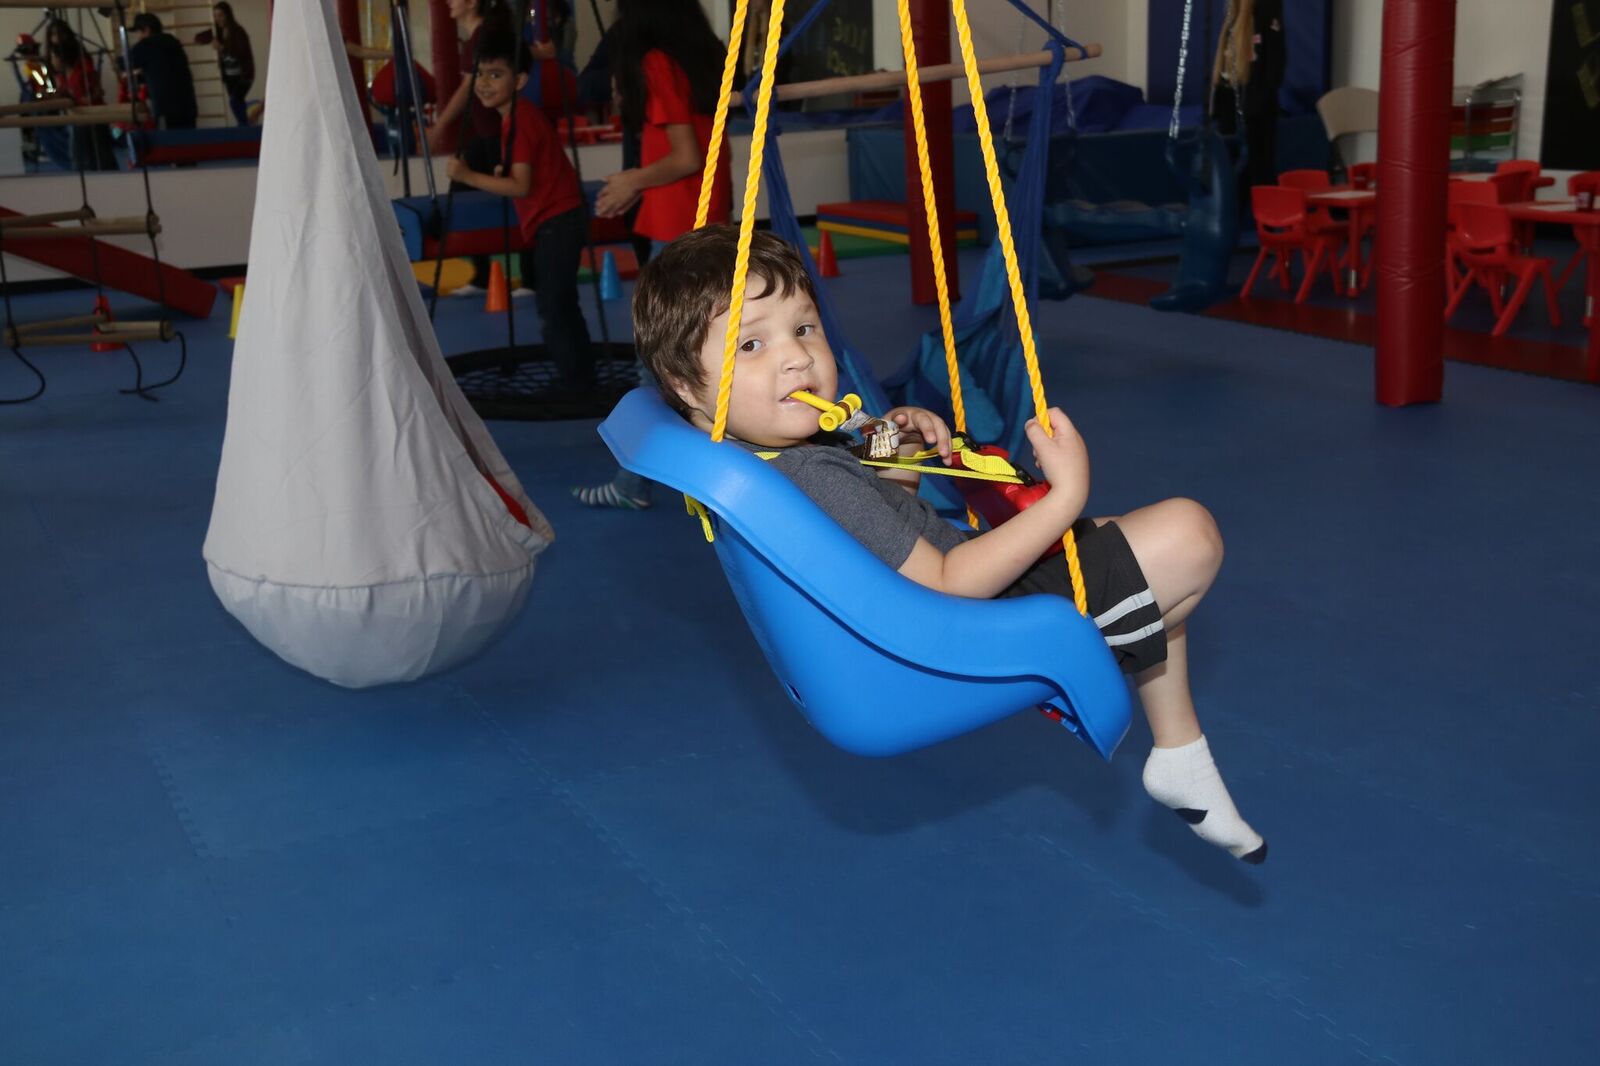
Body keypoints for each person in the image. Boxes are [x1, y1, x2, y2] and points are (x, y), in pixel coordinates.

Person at [631, 226, 1268, 865]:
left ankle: (1180, 754)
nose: (796, 358)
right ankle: (1162, 739)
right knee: (1187, 533)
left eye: (803, 328)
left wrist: (899, 445)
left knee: (1128, 560)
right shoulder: (806, 472)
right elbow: (945, 581)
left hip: (913, 620)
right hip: (948, 635)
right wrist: (1067, 494)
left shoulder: (773, 444)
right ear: (687, 387)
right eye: (751, 343)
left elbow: (883, 511)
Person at [574, 0, 732, 510]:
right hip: (704, 214)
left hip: (678, 225)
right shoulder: (697, 53)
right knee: (702, 351)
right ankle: (707, 470)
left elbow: (685, 155)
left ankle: (631, 484)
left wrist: (631, 181)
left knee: (658, 360)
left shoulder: (657, 61)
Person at [446, 31, 595, 393]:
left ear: (520, 81)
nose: (483, 83)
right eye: (480, 74)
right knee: (560, 303)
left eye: (495, 75)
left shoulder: (522, 120)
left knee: (553, 307)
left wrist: (468, 176)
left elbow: (520, 187)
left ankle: (575, 382)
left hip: (557, 220)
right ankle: (581, 375)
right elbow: (525, 172)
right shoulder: (516, 118)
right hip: (558, 217)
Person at [428, 0, 534, 300]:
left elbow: (468, 86)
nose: (448, 2)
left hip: (493, 132)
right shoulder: (476, 36)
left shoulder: (482, 35)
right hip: (484, 132)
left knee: (512, 197)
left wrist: (440, 125)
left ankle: (529, 275)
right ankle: (483, 273)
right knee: (464, 197)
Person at [1211, 0, 1286, 198]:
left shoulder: (1268, 12)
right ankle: (1232, 214)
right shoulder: (1231, 14)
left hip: (1257, 106)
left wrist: (1258, 101)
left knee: (1259, 166)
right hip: (1230, 102)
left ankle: (1265, 218)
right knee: (1231, 165)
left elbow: (1275, 67)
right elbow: (1223, 65)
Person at [43, 18, 115, 171]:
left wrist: (89, 95)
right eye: (53, 34)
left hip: (91, 113)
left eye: (60, 33)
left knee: (99, 155)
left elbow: (92, 88)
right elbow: (59, 90)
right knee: (81, 157)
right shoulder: (59, 73)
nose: (57, 37)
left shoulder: (80, 63)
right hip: (76, 115)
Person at [127, 14, 198, 131]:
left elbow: (124, 63)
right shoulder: (174, 43)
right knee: (188, 144)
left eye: (139, 32)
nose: (138, 37)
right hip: (188, 105)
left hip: (165, 108)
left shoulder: (146, 45)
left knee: (168, 145)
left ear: (147, 30)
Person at [210, 2, 255, 127]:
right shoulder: (219, 31)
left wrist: (222, 48)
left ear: (228, 15)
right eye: (215, 16)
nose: (218, 19)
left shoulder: (238, 31)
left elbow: (239, 52)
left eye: (220, 16)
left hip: (243, 75)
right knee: (238, 102)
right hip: (230, 77)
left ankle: (245, 126)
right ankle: (245, 124)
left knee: (234, 101)